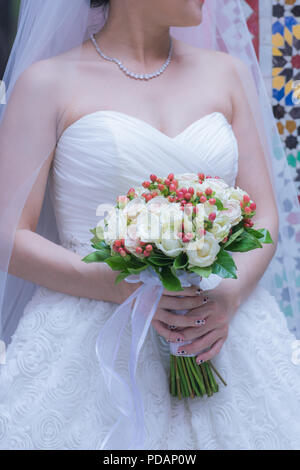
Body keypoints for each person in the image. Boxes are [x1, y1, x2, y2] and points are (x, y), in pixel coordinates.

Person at [0, 0, 299, 450]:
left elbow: (264, 216)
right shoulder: (46, 82)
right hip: (90, 337)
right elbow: (7, 233)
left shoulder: (228, 73)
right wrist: (118, 286)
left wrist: (228, 298)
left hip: (218, 325)